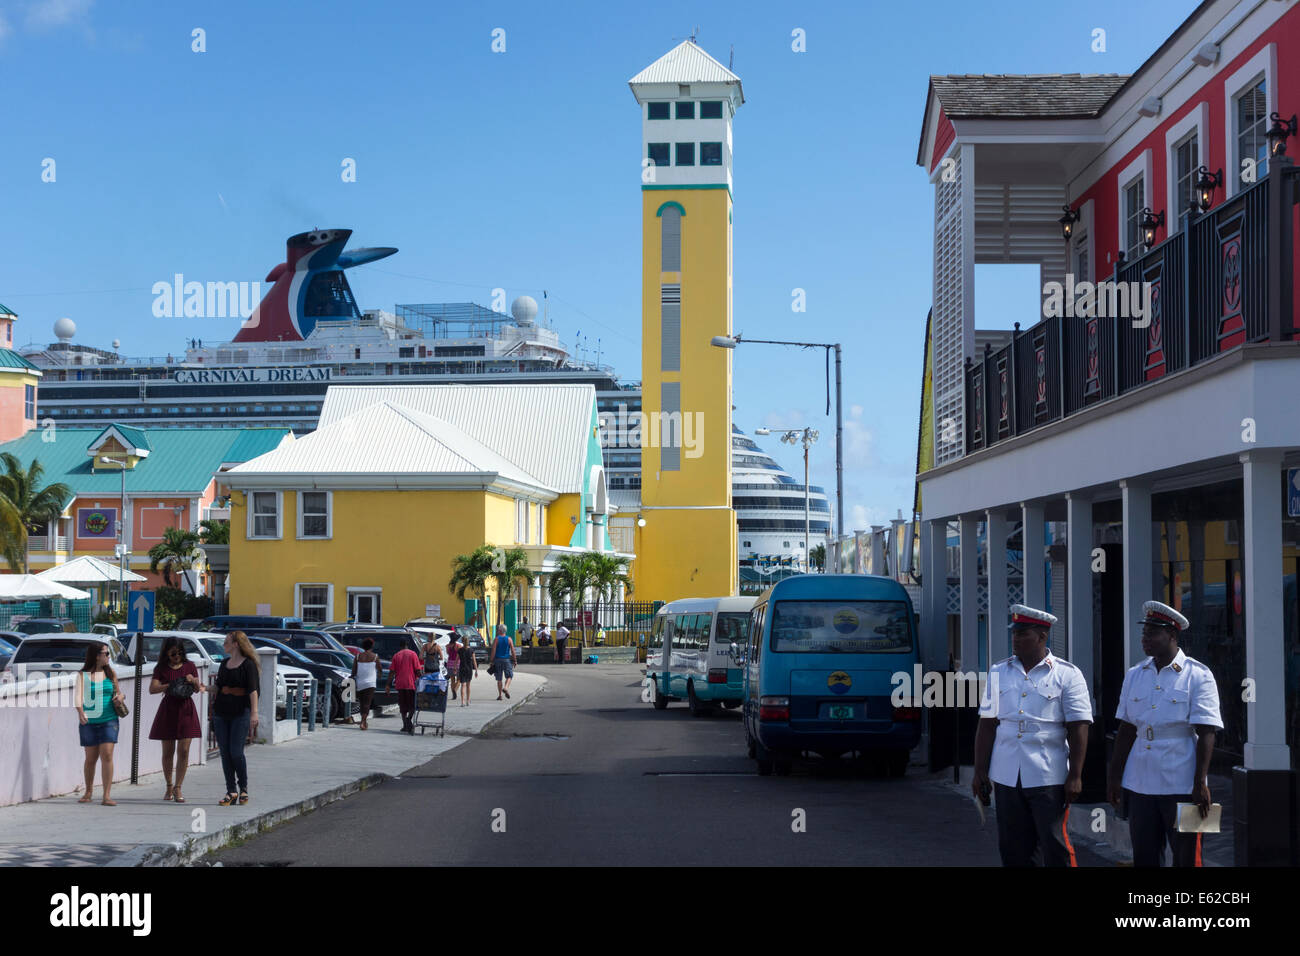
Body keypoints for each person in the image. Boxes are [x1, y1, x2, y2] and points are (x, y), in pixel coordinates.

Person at [972, 605, 1092, 867]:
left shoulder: (1067, 674)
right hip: (1006, 773)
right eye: (1014, 633)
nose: (1015, 639)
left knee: (1054, 843)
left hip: (1048, 773)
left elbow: (1079, 726)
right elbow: (987, 724)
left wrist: (1076, 775)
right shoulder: (998, 672)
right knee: (1013, 847)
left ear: (1041, 637)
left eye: (1023, 633)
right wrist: (979, 769)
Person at [1108, 601, 1222, 867]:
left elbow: (1207, 732)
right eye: (1144, 632)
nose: (1145, 639)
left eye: (1152, 633)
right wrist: (1114, 777)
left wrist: (1201, 782)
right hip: (1140, 781)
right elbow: (1126, 729)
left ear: (1172, 636)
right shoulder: (1135, 674)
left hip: (1183, 781)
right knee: (1144, 855)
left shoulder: (1198, 675)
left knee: (1188, 858)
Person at [148, 636, 204, 803]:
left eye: (179, 653)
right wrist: (171, 684)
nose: (177, 656)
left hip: (186, 709)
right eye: (173, 654)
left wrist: (193, 680)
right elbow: (152, 688)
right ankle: (169, 785)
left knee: (184, 750)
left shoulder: (190, 666)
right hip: (169, 709)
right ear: (167, 653)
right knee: (168, 751)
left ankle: (178, 787)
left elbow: (197, 689)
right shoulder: (161, 668)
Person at [212, 631, 260, 806]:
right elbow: (218, 686)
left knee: (236, 752)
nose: (224, 644)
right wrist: (201, 687)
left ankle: (243, 788)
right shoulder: (224, 664)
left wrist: (254, 713)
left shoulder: (248, 665)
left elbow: (252, 690)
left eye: (227, 642)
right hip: (221, 712)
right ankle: (231, 790)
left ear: (236, 644)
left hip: (240, 712)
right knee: (225, 753)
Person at [75, 643, 126, 806]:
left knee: (107, 755)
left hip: (109, 719)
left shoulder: (110, 674)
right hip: (89, 721)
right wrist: (80, 712)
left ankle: (106, 795)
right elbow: (78, 697)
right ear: (97, 656)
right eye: (106, 653)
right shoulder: (83, 675)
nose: (108, 656)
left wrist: (121, 697)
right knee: (90, 758)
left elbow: (119, 692)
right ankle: (88, 791)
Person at [389, 641, 422, 734]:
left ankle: (404, 725)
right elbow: (417, 670)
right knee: (412, 705)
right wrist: (423, 678)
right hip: (411, 684)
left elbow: (392, 672)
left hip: (400, 684)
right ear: (407, 645)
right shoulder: (413, 654)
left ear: (400, 646)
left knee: (403, 706)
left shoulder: (396, 655)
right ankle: (409, 719)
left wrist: (387, 685)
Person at [351, 636, 379, 730]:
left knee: (362, 703)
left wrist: (351, 676)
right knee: (367, 703)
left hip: (360, 682)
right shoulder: (375, 657)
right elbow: (380, 668)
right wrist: (378, 675)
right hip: (371, 683)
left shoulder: (358, 656)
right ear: (372, 646)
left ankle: (363, 721)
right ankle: (363, 722)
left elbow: (354, 671)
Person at [491, 623, 517, 700]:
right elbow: (512, 651)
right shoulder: (509, 639)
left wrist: (491, 660)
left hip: (497, 660)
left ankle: (500, 695)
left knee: (499, 678)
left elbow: (493, 651)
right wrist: (515, 660)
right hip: (506, 660)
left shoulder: (496, 639)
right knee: (509, 676)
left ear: (499, 630)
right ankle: (506, 687)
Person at [457, 632, 478, 706]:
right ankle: (468, 701)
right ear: (468, 641)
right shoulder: (471, 650)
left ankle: (462, 701)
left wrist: (454, 668)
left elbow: (457, 660)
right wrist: (476, 670)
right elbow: (474, 661)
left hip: (462, 668)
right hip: (469, 669)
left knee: (463, 685)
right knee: (468, 685)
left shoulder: (459, 650)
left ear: (462, 641)